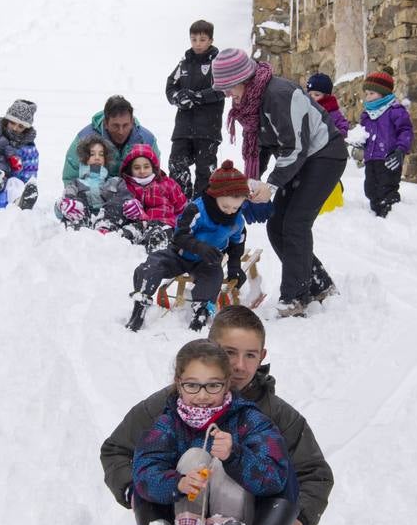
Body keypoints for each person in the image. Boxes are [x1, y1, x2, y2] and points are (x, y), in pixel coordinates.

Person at [101, 305, 332, 525]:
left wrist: (300, 518)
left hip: (249, 520)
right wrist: (139, 491)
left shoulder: (274, 415)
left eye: (250, 356)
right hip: (178, 511)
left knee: (264, 470)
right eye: (229, 353)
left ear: (262, 355)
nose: (239, 366)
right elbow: (117, 451)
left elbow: (313, 473)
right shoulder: (167, 406)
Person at [132, 339, 297, 525]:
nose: (202, 395)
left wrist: (235, 456)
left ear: (227, 384)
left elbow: (276, 477)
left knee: (221, 464)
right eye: (192, 385)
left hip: (240, 517)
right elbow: (144, 472)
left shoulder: (249, 420)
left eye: (213, 386)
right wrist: (177, 483)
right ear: (178, 384)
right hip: (183, 517)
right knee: (194, 457)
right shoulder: (168, 424)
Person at [211, 49, 348, 318]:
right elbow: (261, 146)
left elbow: (295, 146)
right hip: (302, 160)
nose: (228, 95)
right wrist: (251, 180)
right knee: (277, 225)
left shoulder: (279, 94)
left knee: (296, 223)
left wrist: (271, 185)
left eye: (228, 87)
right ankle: (319, 284)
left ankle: (295, 297)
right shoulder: (250, 104)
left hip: (324, 156)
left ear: (242, 78)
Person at [126, 160, 253, 332]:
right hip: (180, 255)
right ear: (214, 196)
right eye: (225, 206)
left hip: (207, 262)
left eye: (235, 207)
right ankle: (141, 304)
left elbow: (237, 243)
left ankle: (200, 313)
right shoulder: (197, 210)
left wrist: (234, 266)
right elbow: (180, 236)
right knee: (153, 264)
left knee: (213, 278)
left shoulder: (237, 220)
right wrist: (200, 247)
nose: (230, 211)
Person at [165, 19, 225, 199]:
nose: (197, 44)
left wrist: (198, 97)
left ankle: (202, 206)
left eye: (202, 39)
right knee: (176, 165)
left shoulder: (218, 63)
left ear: (211, 40)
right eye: (194, 39)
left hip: (208, 129)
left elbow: (222, 87)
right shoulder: (184, 63)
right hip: (183, 128)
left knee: (205, 171)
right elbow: (170, 86)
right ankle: (179, 204)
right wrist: (179, 98)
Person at [357, 67, 414, 218]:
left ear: (383, 94)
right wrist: (359, 141)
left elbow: (405, 130)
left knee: (386, 188)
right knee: (370, 188)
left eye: (372, 93)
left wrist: (401, 150)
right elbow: (363, 134)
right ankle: (376, 215)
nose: (367, 97)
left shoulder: (395, 111)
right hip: (371, 159)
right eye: (366, 93)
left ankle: (391, 214)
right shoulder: (367, 115)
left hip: (389, 159)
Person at [62, 95, 160, 181]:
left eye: (125, 125)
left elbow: (155, 176)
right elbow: (71, 177)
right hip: (95, 196)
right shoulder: (84, 139)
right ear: (106, 124)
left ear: (132, 122)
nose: (121, 132)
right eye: (115, 126)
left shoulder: (147, 140)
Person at [110, 143, 187, 252]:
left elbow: (181, 206)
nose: (142, 171)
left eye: (146, 167)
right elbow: (121, 203)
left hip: (163, 223)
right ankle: (120, 252)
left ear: (153, 167)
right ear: (130, 169)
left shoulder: (166, 184)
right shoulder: (127, 185)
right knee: (125, 235)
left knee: (157, 237)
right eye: (137, 168)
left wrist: (180, 225)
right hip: (139, 223)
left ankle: (156, 256)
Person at [55, 134, 128, 227]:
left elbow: (126, 199)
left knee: (116, 202)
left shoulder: (115, 182)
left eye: (101, 154)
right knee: (75, 202)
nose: (97, 157)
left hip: (109, 225)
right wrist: (61, 205)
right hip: (81, 227)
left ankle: (104, 226)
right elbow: (63, 206)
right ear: (85, 157)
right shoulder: (75, 184)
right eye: (92, 154)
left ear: (105, 159)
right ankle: (75, 228)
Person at [0, 99, 39, 210]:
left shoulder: (28, 148)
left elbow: (29, 175)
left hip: (11, 183)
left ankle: (19, 202)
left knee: (15, 183)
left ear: (26, 128)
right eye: (12, 123)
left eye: (20, 126)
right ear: (7, 120)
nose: (15, 128)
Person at [306, 73, 349, 137]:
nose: (312, 97)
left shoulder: (332, 112)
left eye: (316, 95)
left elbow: (343, 126)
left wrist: (336, 135)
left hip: (328, 144)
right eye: (310, 95)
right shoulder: (306, 110)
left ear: (326, 96)